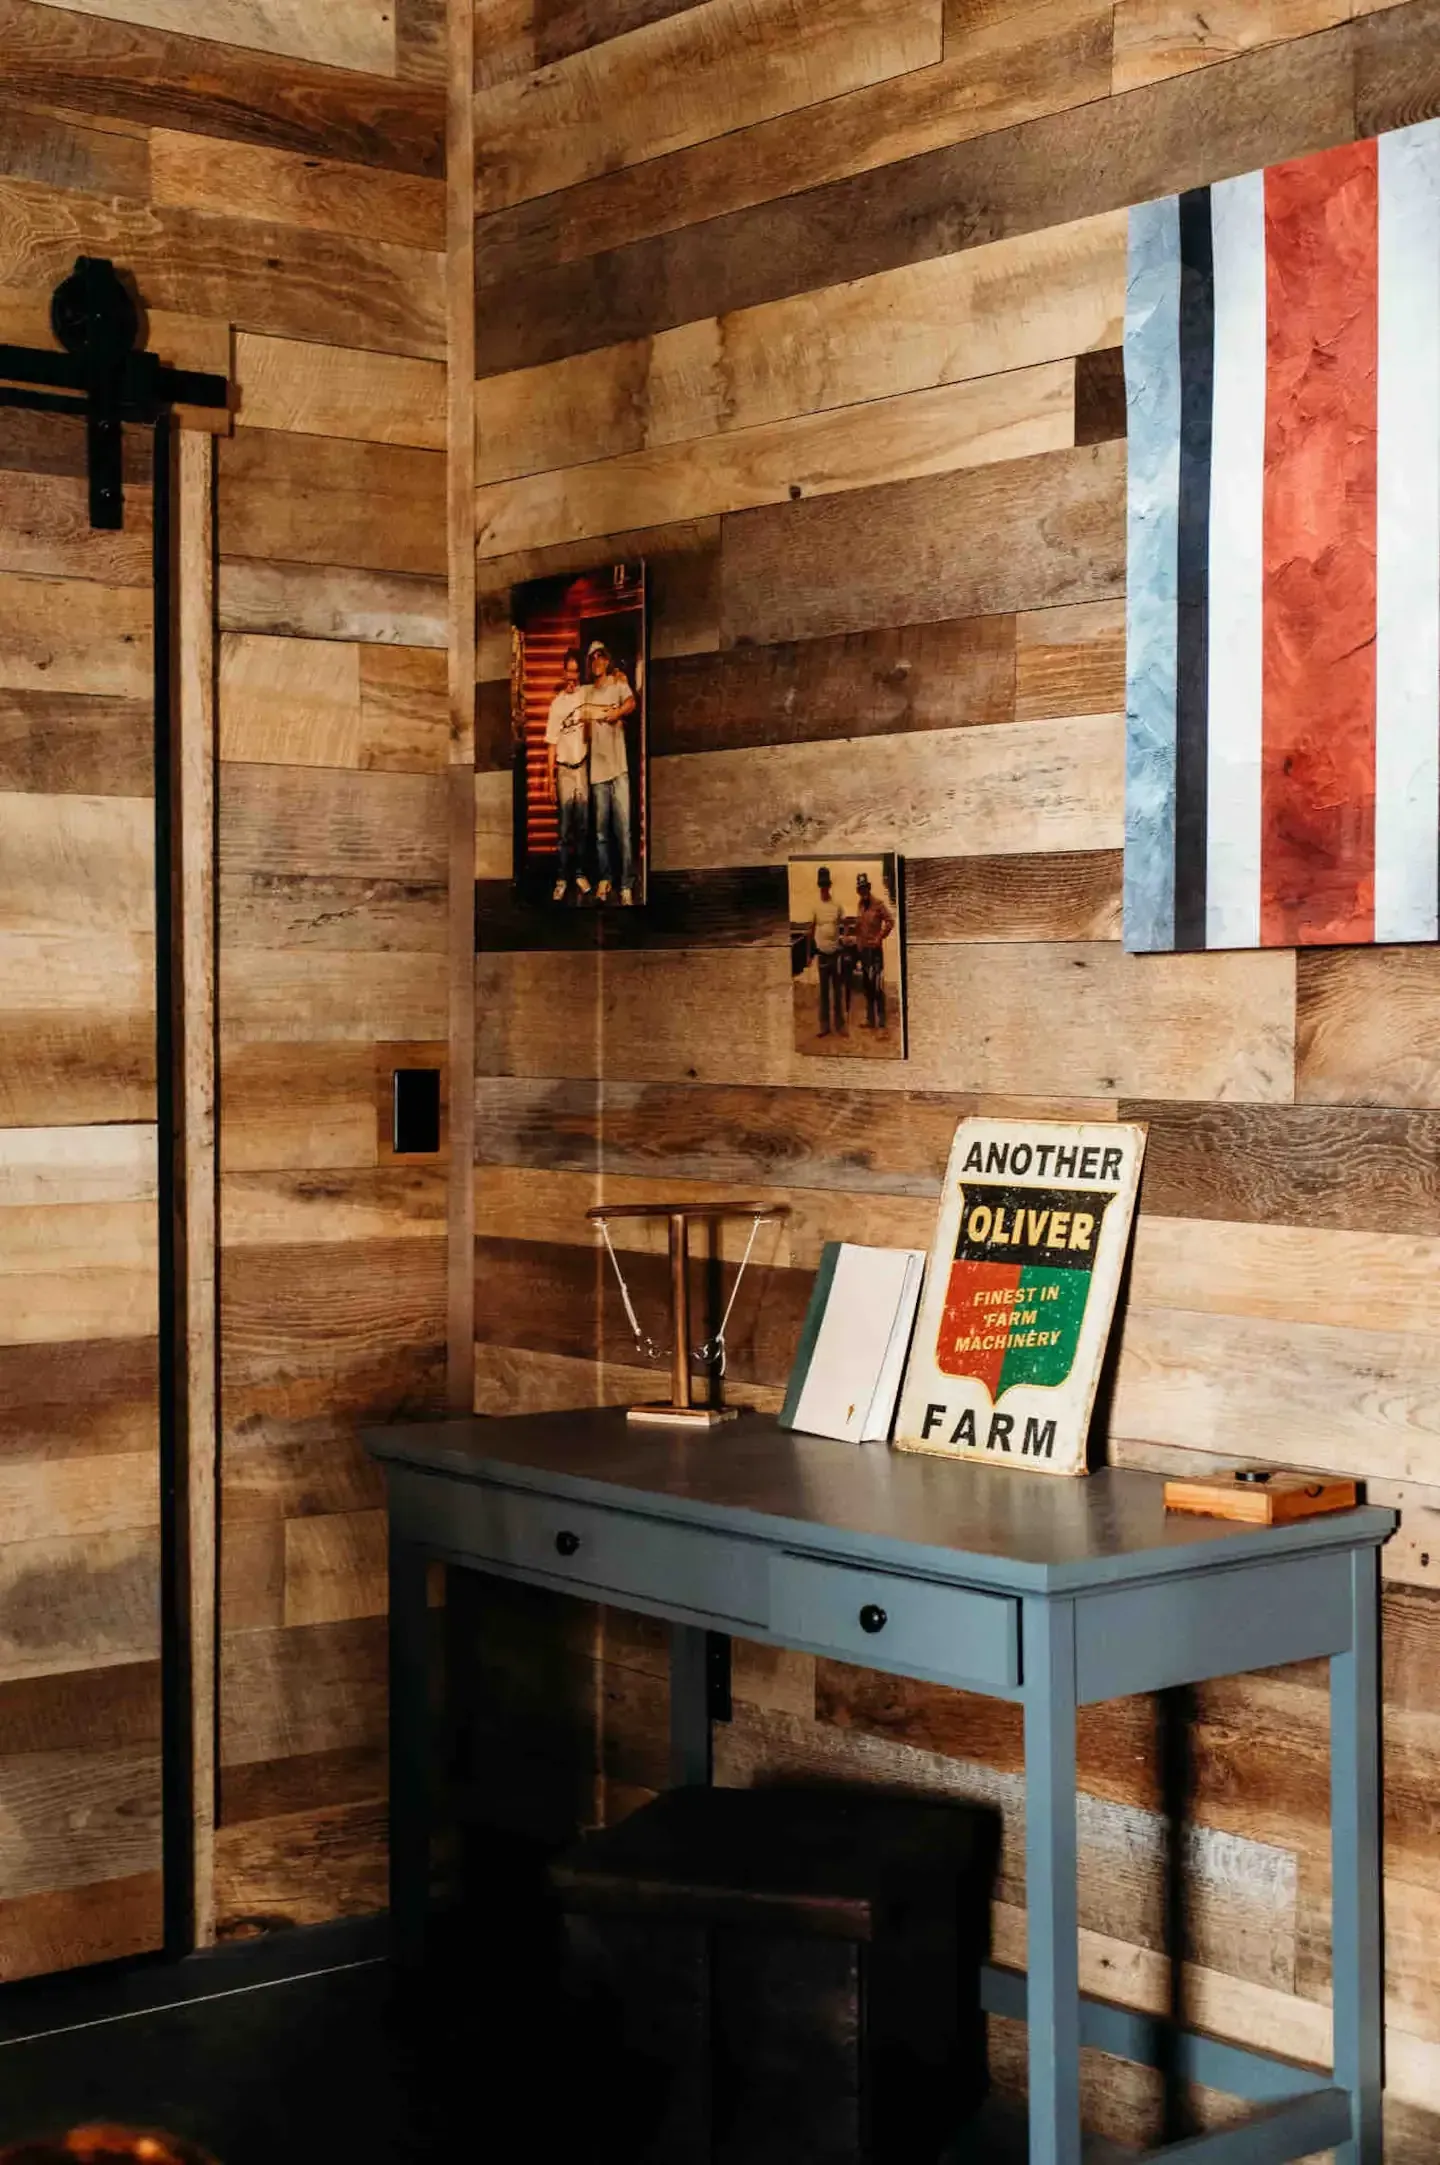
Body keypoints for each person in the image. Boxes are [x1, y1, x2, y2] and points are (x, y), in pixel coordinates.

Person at [583, 640, 637, 905]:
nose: (597, 662)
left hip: (619, 769)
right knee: (601, 833)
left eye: (601, 657)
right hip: (597, 773)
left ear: (607, 660)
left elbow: (631, 703)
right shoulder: (587, 693)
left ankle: (626, 883)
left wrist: (617, 713)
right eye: (592, 658)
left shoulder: (618, 683)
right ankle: (605, 878)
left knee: (623, 830)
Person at [544, 647, 590, 903]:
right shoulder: (556, 705)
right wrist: (550, 781)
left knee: (583, 827)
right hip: (563, 771)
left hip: (582, 768)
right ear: (563, 673)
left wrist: (618, 675)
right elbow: (551, 744)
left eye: (575, 672)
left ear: (579, 673)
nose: (571, 677)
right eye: (568, 672)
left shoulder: (586, 695)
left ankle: (580, 874)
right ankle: (562, 879)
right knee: (563, 830)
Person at [854, 871, 896, 1029]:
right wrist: (857, 944)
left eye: (865, 888)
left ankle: (882, 1021)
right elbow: (859, 927)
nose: (863, 891)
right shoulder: (859, 905)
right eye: (860, 889)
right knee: (867, 987)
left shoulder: (878, 904)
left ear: (869, 888)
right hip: (864, 952)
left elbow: (890, 922)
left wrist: (880, 937)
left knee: (877, 986)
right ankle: (870, 1020)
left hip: (875, 952)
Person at [807, 865, 846, 1038]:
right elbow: (810, 929)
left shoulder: (837, 905)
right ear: (819, 887)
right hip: (822, 955)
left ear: (829, 886)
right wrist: (809, 954)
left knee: (837, 991)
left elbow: (844, 926)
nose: (824, 888)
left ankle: (840, 1026)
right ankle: (824, 1027)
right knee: (823, 993)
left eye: (826, 885)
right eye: (821, 885)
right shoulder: (814, 907)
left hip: (835, 954)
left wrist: (843, 941)